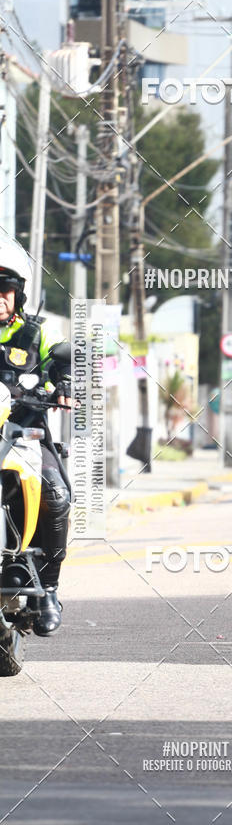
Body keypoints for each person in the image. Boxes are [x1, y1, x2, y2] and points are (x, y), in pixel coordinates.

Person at [0, 236, 71, 634]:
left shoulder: (38, 333)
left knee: (56, 495)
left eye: (4, 289)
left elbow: (66, 358)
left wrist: (64, 384)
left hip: (24, 436)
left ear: (19, 293)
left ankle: (48, 588)